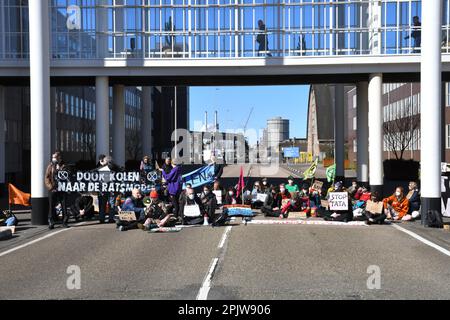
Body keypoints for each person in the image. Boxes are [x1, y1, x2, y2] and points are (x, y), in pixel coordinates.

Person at [45, 151, 69, 229]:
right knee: (51, 206)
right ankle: (51, 221)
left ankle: (64, 221)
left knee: (64, 206)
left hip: (62, 189)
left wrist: (60, 169)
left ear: (59, 158)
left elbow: (67, 176)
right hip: (53, 189)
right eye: (53, 157)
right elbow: (47, 177)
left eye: (55, 157)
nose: (53, 159)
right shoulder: (50, 166)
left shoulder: (64, 165)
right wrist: (51, 187)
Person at [96, 155, 117, 224]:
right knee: (106, 204)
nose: (102, 161)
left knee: (107, 204)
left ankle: (106, 218)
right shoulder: (98, 166)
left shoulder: (108, 167)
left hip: (107, 189)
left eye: (103, 160)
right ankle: (106, 218)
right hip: (106, 189)